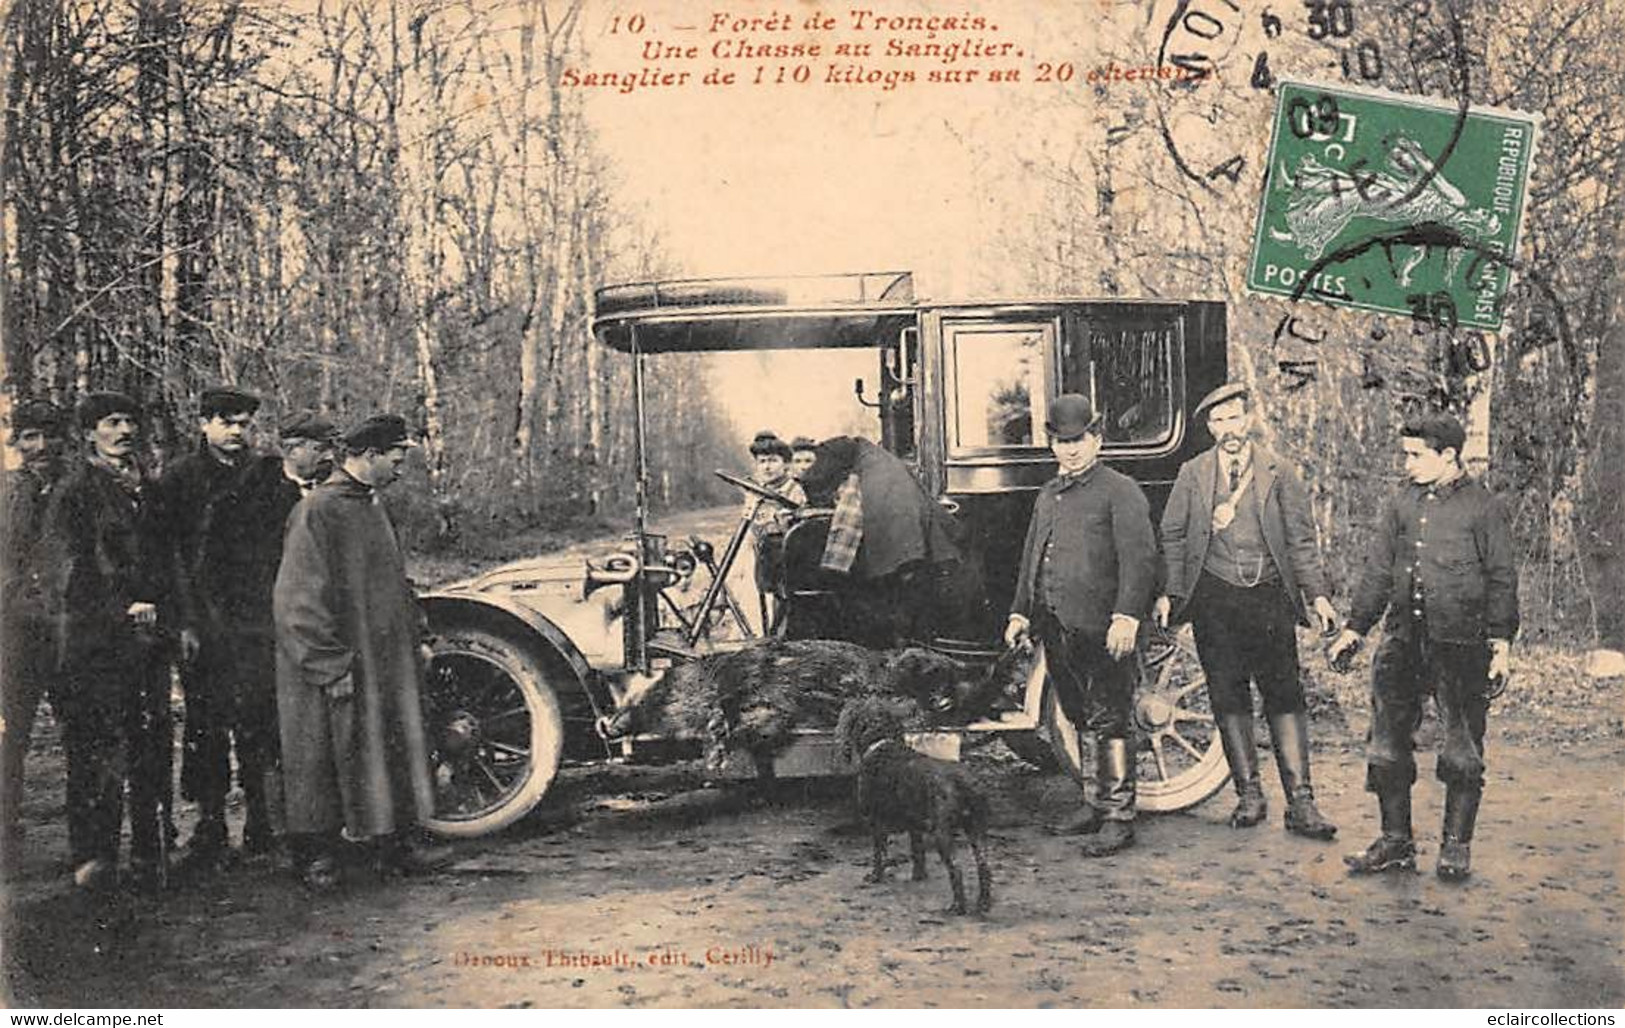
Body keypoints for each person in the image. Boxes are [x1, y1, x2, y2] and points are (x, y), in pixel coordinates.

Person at [1329, 411, 1517, 881]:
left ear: (1448, 456)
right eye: (1405, 453)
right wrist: (1355, 628)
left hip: (1461, 646)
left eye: (1417, 455)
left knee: (1461, 747)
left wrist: (1500, 643)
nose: (1407, 462)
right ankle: (1396, 844)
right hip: (1402, 642)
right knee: (1387, 746)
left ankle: (1456, 848)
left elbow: (1501, 580)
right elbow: (1377, 571)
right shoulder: (1400, 504)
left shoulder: (1483, 509)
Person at [1153, 383, 1340, 840]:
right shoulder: (1193, 474)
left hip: (1270, 599)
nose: (1227, 430)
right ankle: (1249, 795)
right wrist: (1169, 593)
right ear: (1210, 428)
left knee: (1284, 693)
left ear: (1249, 419)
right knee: (1227, 693)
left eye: (1234, 419)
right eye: (1218, 422)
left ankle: (1302, 803)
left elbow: (1301, 540)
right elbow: (1173, 536)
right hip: (1214, 599)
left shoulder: (1279, 471)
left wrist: (1317, 595)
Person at [274, 413, 447, 889]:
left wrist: (421, 635)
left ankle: (393, 845)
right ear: (369, 456)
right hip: (337, 663)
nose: (400, 466)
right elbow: (297, 602)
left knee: (386, 746)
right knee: (320, 758)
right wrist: (329, 664)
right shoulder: (317, 510)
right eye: (397, 456)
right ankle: (316, 856)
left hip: (384, 658)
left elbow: (397, 580)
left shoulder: (371, 505)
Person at [166, 400, 340, 870]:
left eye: (245, 424)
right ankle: (210, 826)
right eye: (226, 423)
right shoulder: (179, 478)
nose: (236, 432)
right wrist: (186, 621)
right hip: (205, 621)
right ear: (204, 424)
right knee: (206, 725)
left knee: (260, 722)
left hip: (260, 622)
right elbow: (175, 560)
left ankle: (263, 822)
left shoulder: (266, 476)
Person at [1005, 394, 1157, 856]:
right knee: (1077, 713)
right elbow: (1032, 556)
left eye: (1078, 440)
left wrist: (1126, 616)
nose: (1069, 449)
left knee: (1110, 717)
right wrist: (1020, 613)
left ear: (1097, 439)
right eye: (1061, 440)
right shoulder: (1048, 493)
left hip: (1103, 628)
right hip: (1055, 625)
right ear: (1051, 443)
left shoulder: (1120, 489)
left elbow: (1141, 559)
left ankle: (1117, 816)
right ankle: (1093, 803)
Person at [39, 392, 174, 891]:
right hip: (95, 644)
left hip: (149, 642)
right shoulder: (75, 493)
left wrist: (165, 614)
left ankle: (147, 851)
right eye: (112, 423)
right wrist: (117, 610)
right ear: (90, 432)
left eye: (130, 421)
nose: (123, 431)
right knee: (97, 749)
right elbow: (66, 573)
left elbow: (166, 564)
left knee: (149, 742)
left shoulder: (150, 491)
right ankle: (94, 855)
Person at [797, 435, 964, 647]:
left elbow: (845, 532)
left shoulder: (861, 475)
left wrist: (829, 574)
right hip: (919, 553)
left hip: (907, 562)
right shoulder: (877, 460)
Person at [2, 399, 67, 870]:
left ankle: (90, 840)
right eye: (30, 437)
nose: (41, 446)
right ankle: (6, 825)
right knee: (11, 729)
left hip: (69, 627)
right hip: (15, 629)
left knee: (83, 728)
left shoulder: (78, 489)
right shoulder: (7, 492)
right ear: (18, 442)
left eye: (48, 435)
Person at [742, 432, 805, 625]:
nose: (767, 467)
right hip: (761, 553)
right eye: (762, 462)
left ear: (785, 464)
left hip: (787, 556)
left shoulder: (795, 490)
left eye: (773, 460)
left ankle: (780, 630)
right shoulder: (754, 491)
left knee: (783, 599)